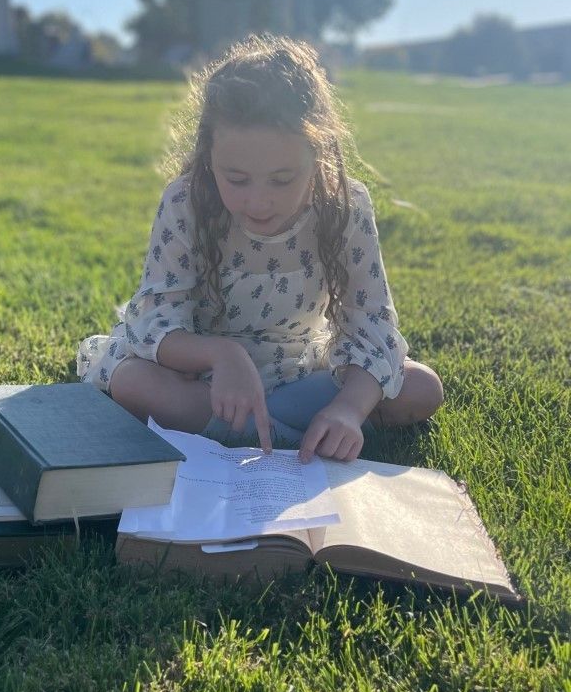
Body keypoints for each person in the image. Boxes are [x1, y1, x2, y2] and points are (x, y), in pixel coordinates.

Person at [76, 35, 443, 463]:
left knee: (422, 387)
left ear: (318, 155)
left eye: (283, 179)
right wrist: (223, 354)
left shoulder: (344, 205)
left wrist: (347, 407)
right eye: (236, 178)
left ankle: (255, 430)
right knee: (134, 383)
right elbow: (156, 322)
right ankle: (289, 440)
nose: (258, 202)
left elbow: (371, 324)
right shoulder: (187, 202)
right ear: (208, 156)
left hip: (298, 373)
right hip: (202, 379)